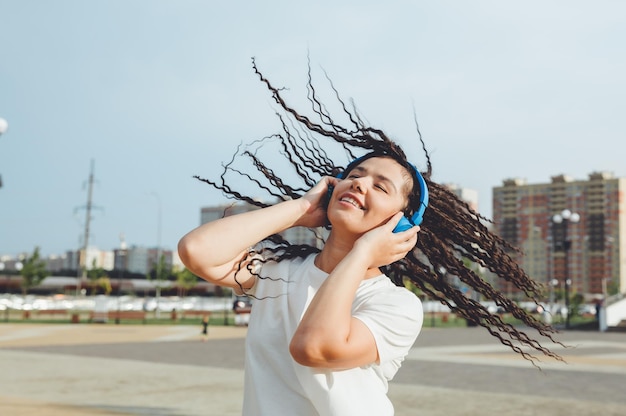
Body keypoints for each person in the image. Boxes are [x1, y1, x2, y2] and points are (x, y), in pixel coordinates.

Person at [178, 59, 563, 415]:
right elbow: (197, 251)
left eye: (381, 187)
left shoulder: (397, 306)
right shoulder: (279, 272)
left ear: (401, 222)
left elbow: (313, 348)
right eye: (355, 175)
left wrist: (362, 253)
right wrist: (298, 209)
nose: (359, 184)